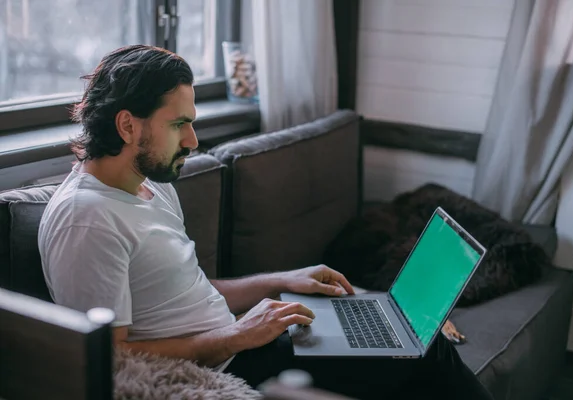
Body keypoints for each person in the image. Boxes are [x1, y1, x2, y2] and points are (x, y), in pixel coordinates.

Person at [38, 45, 493, 399]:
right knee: (423, 350)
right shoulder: (87, 219)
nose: (193, 141)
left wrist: (284, 280)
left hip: (240, 342)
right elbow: (108, 357)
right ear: (128, 126)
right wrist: (233, 335)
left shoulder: (150, 186)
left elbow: (182, 289)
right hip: (222, 367)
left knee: (408, 341)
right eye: (179, 124)